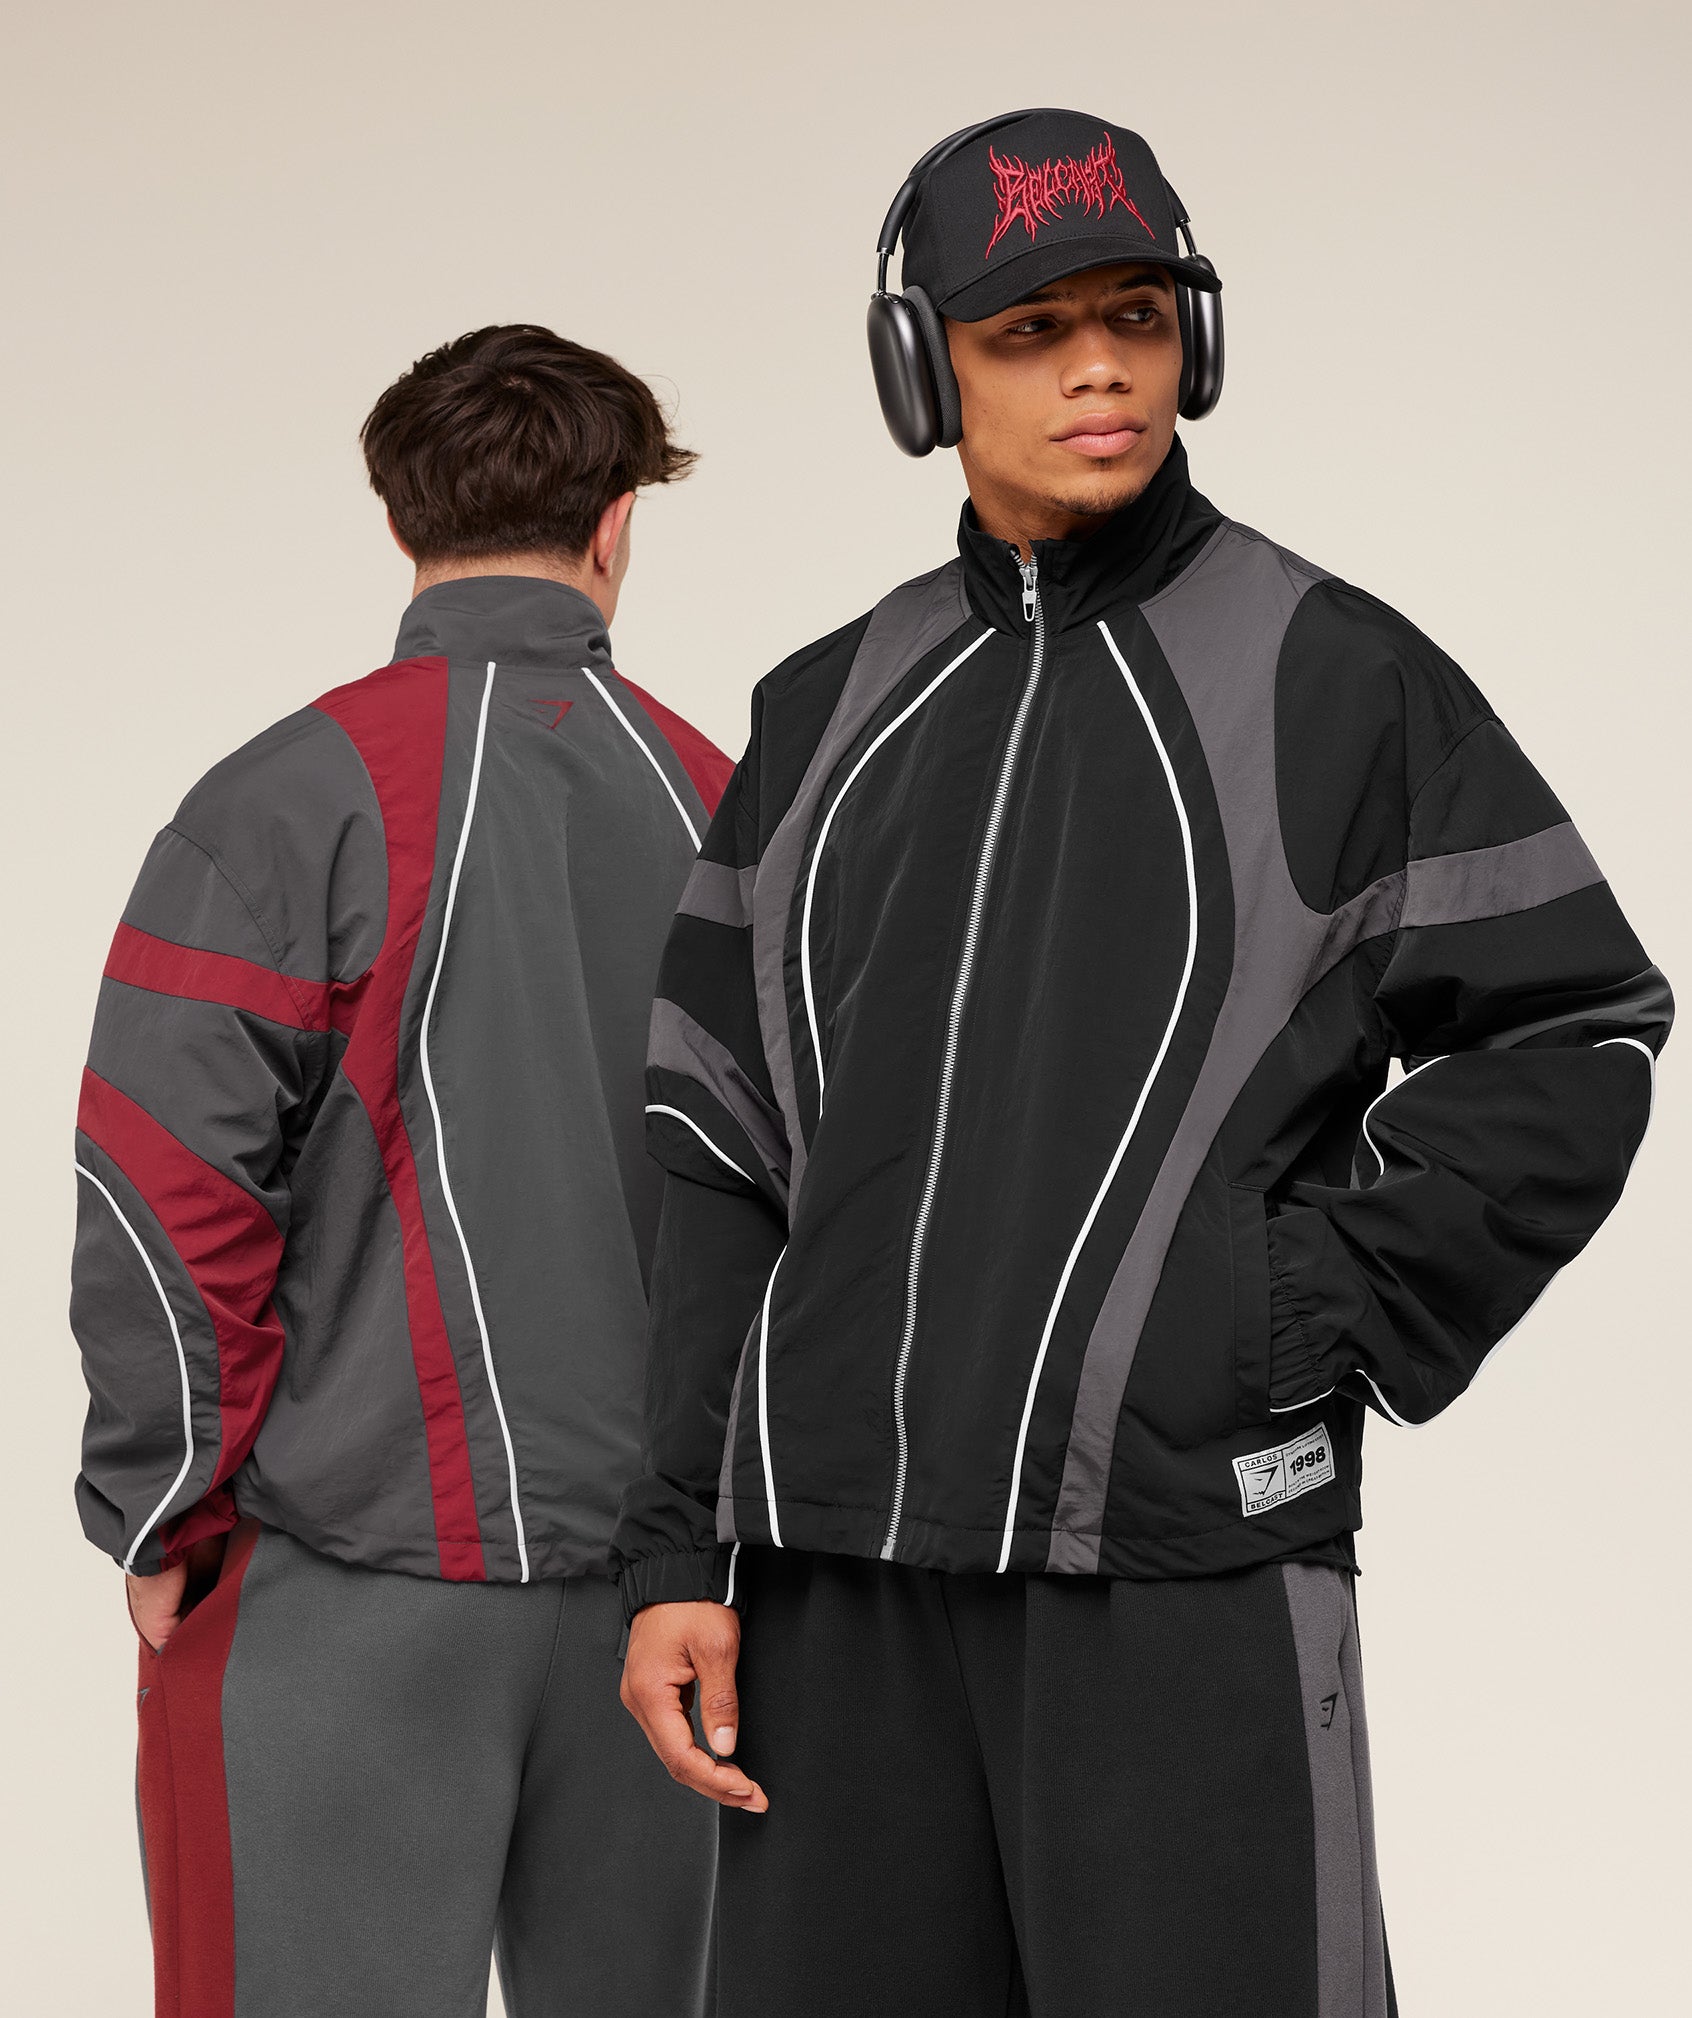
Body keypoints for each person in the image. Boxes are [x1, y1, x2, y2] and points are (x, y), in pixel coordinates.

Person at [612, 111, 1672, 2018]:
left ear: (1199, 340)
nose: (1098, 369)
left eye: (1137, 317)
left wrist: (1294, 1305)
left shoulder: (1335, 677)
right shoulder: (824, 708)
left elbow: (1570, 1020)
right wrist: (675, 1547)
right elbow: (716, 1139)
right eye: (1029, 330)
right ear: (924, 370)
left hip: (1180, 1553)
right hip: (839, 1574)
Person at [70, 324, 729, 2018]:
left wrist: (159, 1500)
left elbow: (162, 1183)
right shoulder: (734, 811)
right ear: (616, 524)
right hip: (682, 1610)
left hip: (342, 1590)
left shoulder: (278, 802)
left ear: (399, 522)